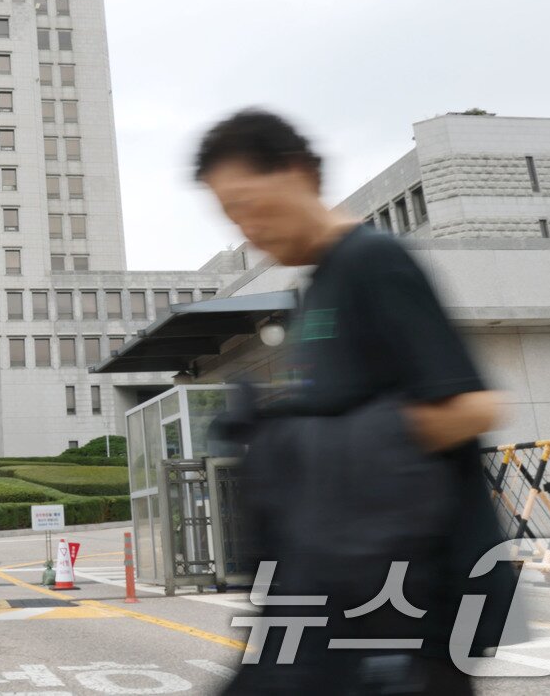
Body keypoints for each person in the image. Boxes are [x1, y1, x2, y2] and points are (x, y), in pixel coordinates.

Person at [193, 109, 516, 695]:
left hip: (415, 605)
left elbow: (474, 407)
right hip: (346, 590)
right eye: (230, 215)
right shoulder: (315, 287)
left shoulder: (374, 262)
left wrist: (311, 446)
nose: (247, 228)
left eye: (247, 203)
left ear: (296, 173)